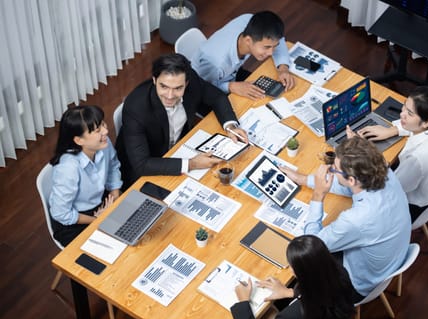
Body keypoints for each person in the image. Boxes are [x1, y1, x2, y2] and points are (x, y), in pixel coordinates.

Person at [282, 137, 411, 303]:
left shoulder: (357, 219)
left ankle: (291, 299)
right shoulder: (384, 172)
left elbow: (311, 244)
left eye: (334, 169)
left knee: (299, 263)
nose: (332, 171)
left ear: (351, 179)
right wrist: (305, 179)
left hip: (359, 283)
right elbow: (350, 187)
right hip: (389, 261)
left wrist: (318, 195)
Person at [116, 53, 248, 189]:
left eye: (178, 88)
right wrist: (192, 164)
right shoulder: (135, 108)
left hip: (180, 149)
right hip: (146, 168)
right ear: (154, 80)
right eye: (164, 87)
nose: (169, 95)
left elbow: (217, 97)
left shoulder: (191, 79)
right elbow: (141, 165)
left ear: (186, 83)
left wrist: (231, 126)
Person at [231, 235, 354, 319]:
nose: (290, 270)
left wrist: (243, 301)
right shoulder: (340, 273)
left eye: (292, 267)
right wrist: (289, 292)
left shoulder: (295, 315)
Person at [357, 86, 428, 222]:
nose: (401, 114)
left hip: (411, 208)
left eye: (409, 113)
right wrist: (392, 130)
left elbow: (386, 190)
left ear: (427, 122)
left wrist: (361, 152)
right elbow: (417, 126)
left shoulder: (418, 159)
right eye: (404, 106)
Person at [49, 106, 122, 247]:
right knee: (113, 250)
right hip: (75, 221)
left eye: (103, 124)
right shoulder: (68, 168)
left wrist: (115, 199)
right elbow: (61, 213)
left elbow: (113, 166)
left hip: (102, 202)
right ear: (79, 140)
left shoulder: (103, 144)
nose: (106, 131)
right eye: (97, 130)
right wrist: (97, 219)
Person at [192, 11, 295, 100]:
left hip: (230, 75)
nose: (271, 53)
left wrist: (283, 68)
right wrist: (231, 87)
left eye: (274, 47)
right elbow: (201, 85)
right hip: (205, 84)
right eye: (267, 47)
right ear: (248, 41)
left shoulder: (250, 21)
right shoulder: (216, 63)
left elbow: (278, 39)